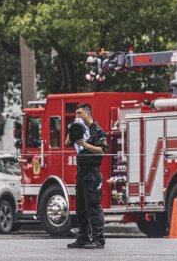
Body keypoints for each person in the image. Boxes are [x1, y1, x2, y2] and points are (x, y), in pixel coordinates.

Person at [65, 103, 108, 249]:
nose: (77, 116)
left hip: (92, 172)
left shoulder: (97, 130)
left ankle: (99, 239)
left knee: (93, 206)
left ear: (88, 113)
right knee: (80, 208)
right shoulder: (78, 129)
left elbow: (103, 151)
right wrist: (74, 131)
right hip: (81, 172)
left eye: (79, 113)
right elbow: (67, 142)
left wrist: (86, 145)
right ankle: (83, 238)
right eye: (76, 114)